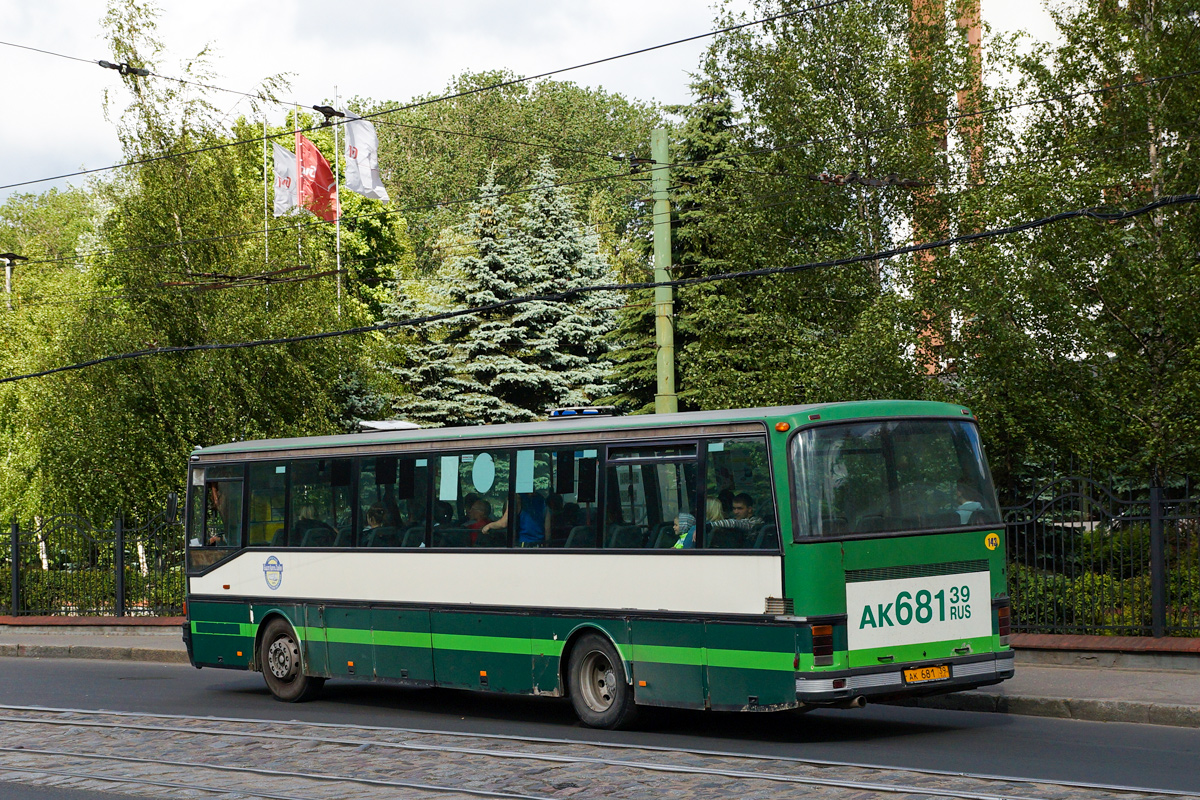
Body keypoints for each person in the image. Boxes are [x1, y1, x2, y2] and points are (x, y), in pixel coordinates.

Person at [481, 492, 549, 547]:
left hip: (524, 545)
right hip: (540, 545)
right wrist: (547, 545)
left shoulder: (516, 498)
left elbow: (504, 523)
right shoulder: (542, 499)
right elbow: (547, 528)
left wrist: (489, 526)